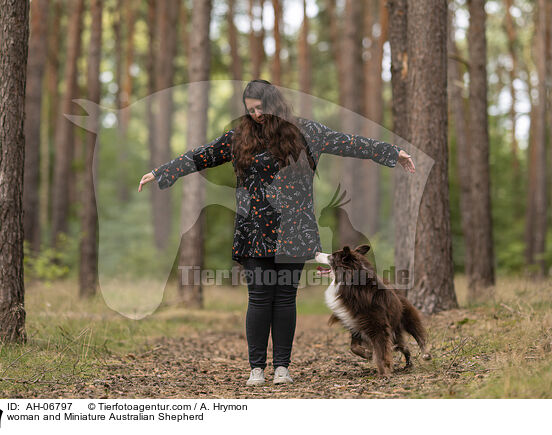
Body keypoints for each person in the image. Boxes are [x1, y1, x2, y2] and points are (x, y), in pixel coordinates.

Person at [138, 79, 415, 386]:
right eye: (250, 109)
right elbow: (202, 155)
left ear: (275, 104)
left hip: (294, 231)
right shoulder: (239, 136)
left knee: (284, 298)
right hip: (252, 230)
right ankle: (256, 368)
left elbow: (348, 142)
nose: (256, 114)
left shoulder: (306, 131)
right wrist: (163, 172)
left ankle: (282, 367)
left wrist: (392, 153)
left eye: (261, 107)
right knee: (258, 298)